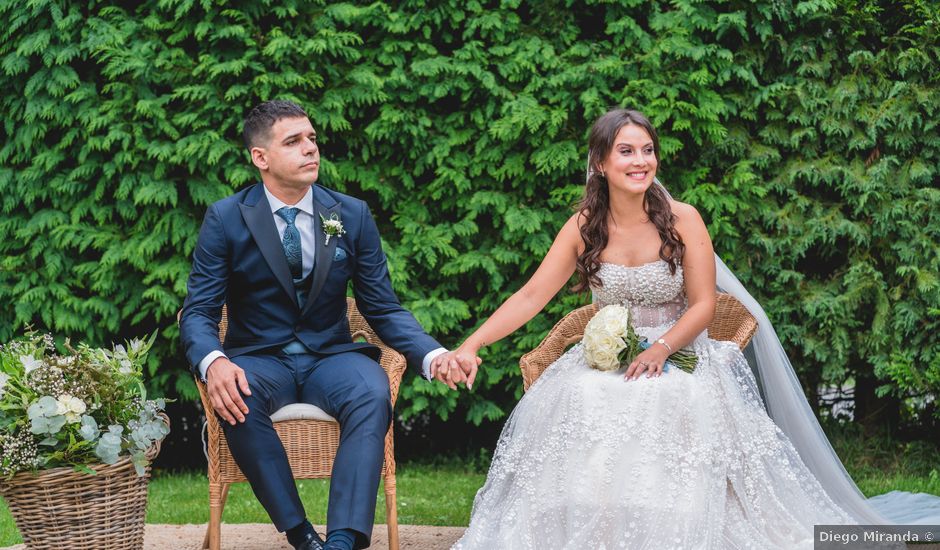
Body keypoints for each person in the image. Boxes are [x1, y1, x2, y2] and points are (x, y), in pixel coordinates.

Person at [449, 108, 865, 548]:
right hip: (608, 361)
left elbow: (704, 306)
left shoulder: (684, 219)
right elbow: (532, 296)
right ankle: (598, 531)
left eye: (647, 151)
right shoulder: (582, 228)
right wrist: (471, 344)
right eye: (625, 151)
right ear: (601, 163)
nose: (640, 161)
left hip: (681, 350)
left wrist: (661, 348)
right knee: (583, 394)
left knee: (667, 396)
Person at [179, 100, 472, 550]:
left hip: (331, 357)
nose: (310, 149)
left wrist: (433, 355)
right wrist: (213, 361)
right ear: (261, 158)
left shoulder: (350, 215)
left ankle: (342, 541)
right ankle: (300, 533)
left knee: (372, 391)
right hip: (258, 360)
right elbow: (199, 311)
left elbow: (382, 307)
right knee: (234, 395)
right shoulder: (226, 218)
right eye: (293, 142)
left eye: (312, 138)